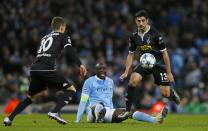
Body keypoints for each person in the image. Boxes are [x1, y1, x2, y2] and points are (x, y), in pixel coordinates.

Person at [3, 16, 87, 126]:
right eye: (64, 28)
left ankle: (9, 119)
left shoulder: (45, 37)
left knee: (30, 98)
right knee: (71, 90)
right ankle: (54, 111)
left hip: (34, 69)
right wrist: (80, 64)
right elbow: (69, 50)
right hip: (46, 69)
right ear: (62, 27)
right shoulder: (63, 36)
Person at [119, 10, 180, 117]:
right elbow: (130, 54)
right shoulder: (134, 37)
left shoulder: (156, 35)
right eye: (139, 21)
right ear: (135, 22)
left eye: (143, 20)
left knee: (165, 93)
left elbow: (165, 54)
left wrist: (169, 73)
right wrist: (126, 71)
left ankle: (171, 93)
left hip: (158, 64)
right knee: (133, 81)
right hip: (144, 62)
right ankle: (128, 110)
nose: (141, 23)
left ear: (147, 21)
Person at [75, 63, 168, 124]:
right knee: (99, 105)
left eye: (104, 68)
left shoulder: (110, 81)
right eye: (99, 68)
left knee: (128, 112)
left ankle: (155, 120)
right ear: (95, 70)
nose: (102, 70)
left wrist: (114, 108)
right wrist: (77, 120)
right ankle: (99, 114)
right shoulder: (89, 81)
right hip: (91, 113)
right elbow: (83, 101)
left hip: (108, 111)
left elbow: (111, 97)